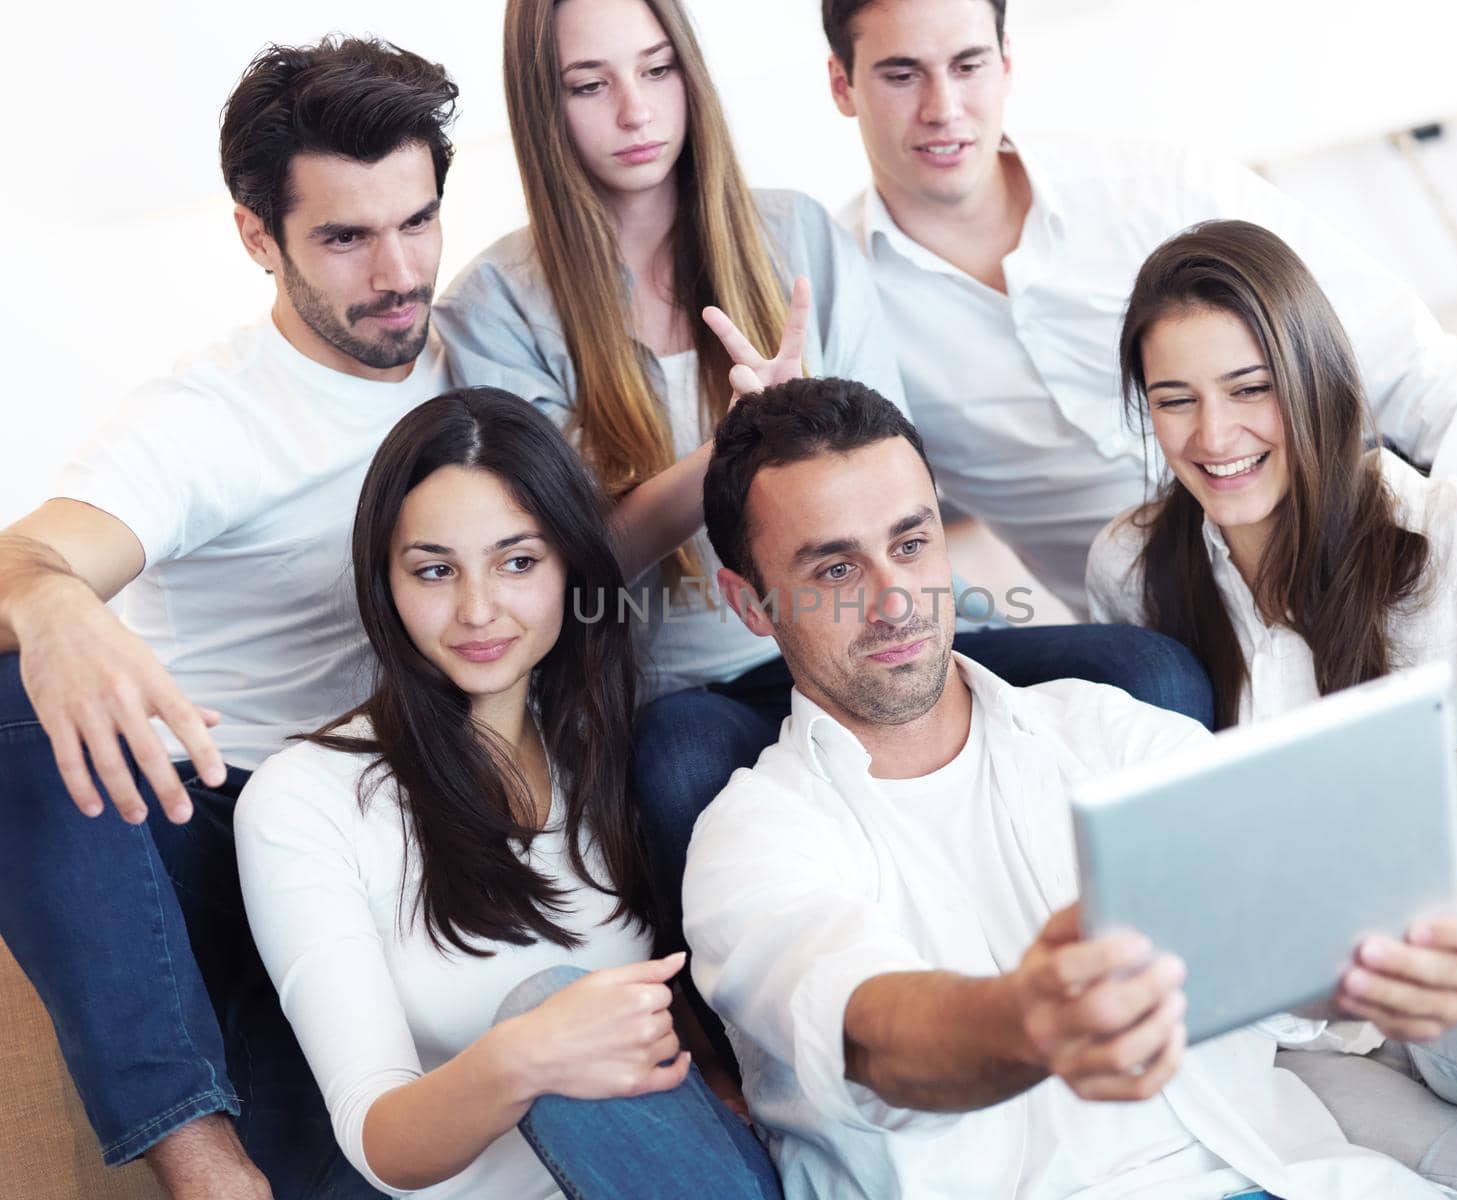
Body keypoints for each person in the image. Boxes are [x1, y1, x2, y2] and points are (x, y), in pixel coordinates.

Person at [434, 0, 1213, 1004]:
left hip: (882, 629)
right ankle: (735, 1052)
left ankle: (1154, 964)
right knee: (677, 774)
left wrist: (804, 428)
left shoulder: (795, 231)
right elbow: (553, 565)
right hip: (700, 686)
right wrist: (731, 450)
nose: (634, 110)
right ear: (544, 107)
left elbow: (893, 469)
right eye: (590, 85)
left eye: (657, 69)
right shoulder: (499, 303)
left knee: (1151, 672)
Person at [681, 374, 1457, 1199]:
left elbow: (1276, 945)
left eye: (910, 544)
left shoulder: (1106, 731)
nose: (895, 600)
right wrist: (1027, 1020)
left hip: (1286, 1175)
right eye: (833, 569)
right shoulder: (753, 839)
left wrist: (1381, 962)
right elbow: (875, 1037)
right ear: (751, 602)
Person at [0, 37, 460, 1199]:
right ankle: (201, 1161)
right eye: (345, 238)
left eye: (416, 221)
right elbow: (33, 550)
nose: (398, 271)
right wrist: (52, 602)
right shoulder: (204, 419)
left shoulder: (480, 353)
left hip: (391, 828)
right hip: (210, 816)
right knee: (11, 696)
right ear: (258, 239)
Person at [821, 0, 1457, 647]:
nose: (943, 109)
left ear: (1006, 64)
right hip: (1169, 615)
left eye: (967, 65)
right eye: (900, 74)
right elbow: (866, 521)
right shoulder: (843, 295)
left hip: (1349, 519)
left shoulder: (1154, 187)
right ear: (842, 83)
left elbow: (1395, 344)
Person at [1086, 219, 1457, 1194]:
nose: (1213, 436)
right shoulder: (1129, 570)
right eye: (1173, 401)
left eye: (1249, 389)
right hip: (1295, 1026)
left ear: (1315, 377)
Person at [233, 388, 780, 1200]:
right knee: (547, 1001)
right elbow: (378, 1137)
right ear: (384, 583)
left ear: (570, 568)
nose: (478, 610)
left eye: (518, 562)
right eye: (434, 570)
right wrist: (526, 1053)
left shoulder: (608, 754)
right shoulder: (305, 801)